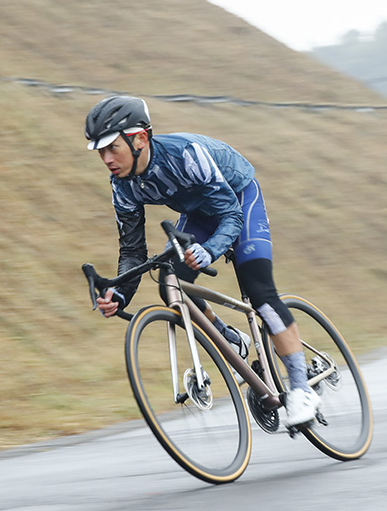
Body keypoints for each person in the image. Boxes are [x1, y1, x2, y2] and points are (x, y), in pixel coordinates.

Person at [85, 95, 320, 428]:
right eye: (100, 151)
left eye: (113, 148)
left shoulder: (186, 155)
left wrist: (210, 250)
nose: (107, 159)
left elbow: (231, 216)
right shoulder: (122, 185)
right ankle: (231, 339)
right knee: (172, 285)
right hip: (199, 213)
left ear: (140, 139)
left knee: (260, 293)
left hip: (238, 200)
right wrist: (120, 293)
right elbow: (133, 251)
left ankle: (301, 390)